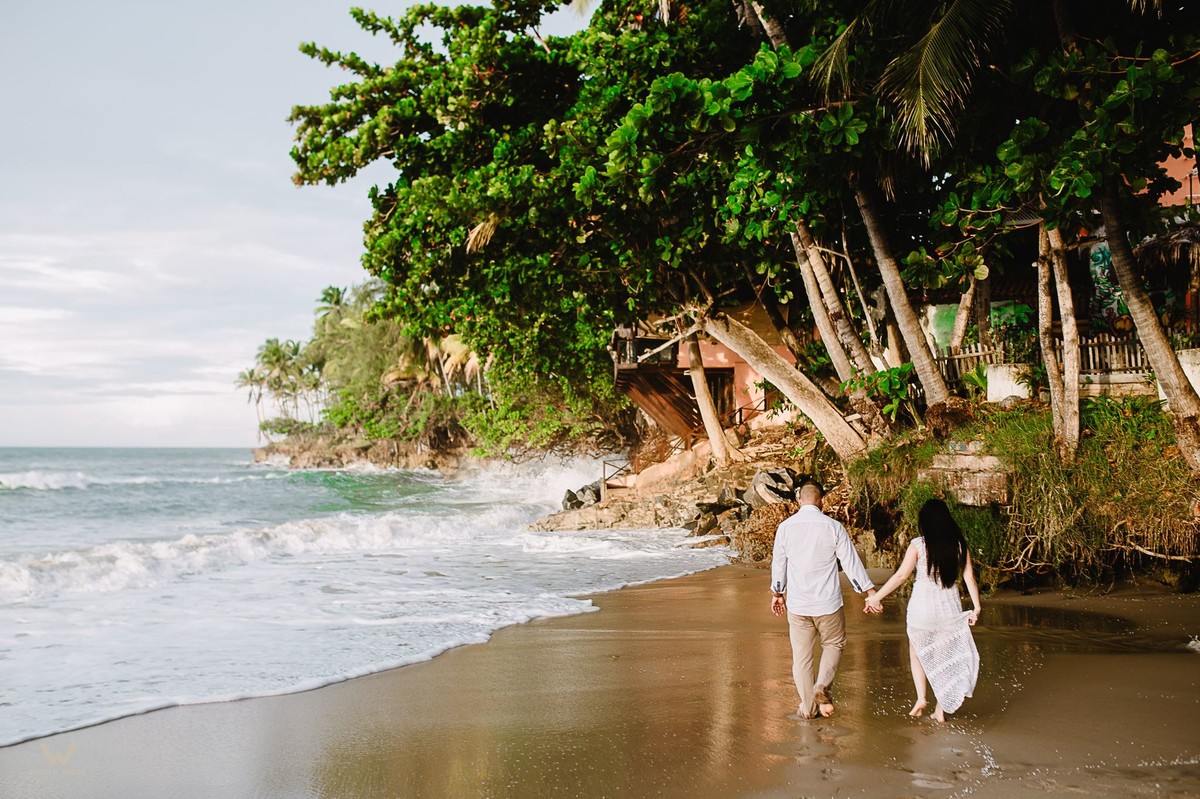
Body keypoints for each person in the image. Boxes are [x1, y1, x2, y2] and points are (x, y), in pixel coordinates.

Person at [865, 497, 981, 723]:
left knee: (916, 653)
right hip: (949, 608)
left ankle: (921, 698)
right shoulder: (959, 545)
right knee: (942, 659)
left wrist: (876, 598)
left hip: (922, 608)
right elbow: (969, 577)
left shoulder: (918, 545)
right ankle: (940, 709)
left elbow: (900, 576)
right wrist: (976, 607)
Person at [770, 480, 879, 719]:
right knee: (834, 644)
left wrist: (778, 593)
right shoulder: (833, 527)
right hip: (828, 603)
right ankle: (822, 687)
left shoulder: (786, 528)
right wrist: (869, 592)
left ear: (799, 500)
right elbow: (851, 562)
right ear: (821, 501)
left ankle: (808, 709)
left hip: (798, 605)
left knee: (802, 658)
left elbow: (779, 564)